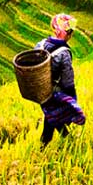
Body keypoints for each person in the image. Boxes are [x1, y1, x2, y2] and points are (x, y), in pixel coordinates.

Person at [35, 13, 86, 148]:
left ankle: (66, 138)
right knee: (54, 115)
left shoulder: (40, 44)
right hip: (54, 91)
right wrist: (71, 98)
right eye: (69, 32)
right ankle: (44, 145)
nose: (70, 35)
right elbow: (67, 80)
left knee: (51, 115)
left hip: (39, 90)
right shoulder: (64, 53)